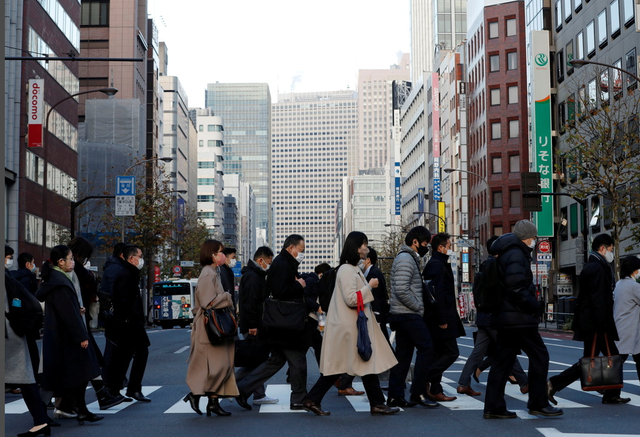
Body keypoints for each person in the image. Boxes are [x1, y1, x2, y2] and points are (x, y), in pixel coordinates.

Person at [302, 231, 400, 416]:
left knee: (360, 364)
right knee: (355, 364)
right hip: (350, 329)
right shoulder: (347, 270)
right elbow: (350, 299)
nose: (366, 248)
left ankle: (313, 399)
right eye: (364, 244)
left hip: (353, 327)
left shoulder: (352, 269)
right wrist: (369, 286)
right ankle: (376, 404)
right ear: (356, 247)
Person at [483, 220, 562, 419]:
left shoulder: (507, 251)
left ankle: (493, 407)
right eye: (534, 238)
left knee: (502, 361)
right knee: (539, 356)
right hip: (518, 317)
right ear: (527, 237)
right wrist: (534, 305)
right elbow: (516, 287)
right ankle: (538, 402)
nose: (534, 241)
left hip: (506, 316)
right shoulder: (517, 254)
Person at [548, 233, 630, 405]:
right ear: (602, 248)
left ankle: (610, 394)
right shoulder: (598, 268)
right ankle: (554, 384)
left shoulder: (592, 265)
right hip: (597, 323)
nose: (611, 252)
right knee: (610, 357)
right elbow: (598, 299)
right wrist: (603, 325)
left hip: (591, 322)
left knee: (591, 359)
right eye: (610, 249)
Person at [235, 234, 315, 411]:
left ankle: (242, 389)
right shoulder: (282, 263)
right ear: (291, 248)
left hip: (280, 324)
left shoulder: (284, 263)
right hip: (285, 324)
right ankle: (299, 398)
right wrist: (299, 284)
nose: (302, 254)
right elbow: (279, 291)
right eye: (301, 250)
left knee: (275, 362)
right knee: (298, 361)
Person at [36, 245, 103, 425]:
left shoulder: (59, 278)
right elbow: (67, 313)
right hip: (65, 337)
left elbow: (65, 308)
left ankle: (82, 409)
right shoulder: (60, 281)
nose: (73, 261)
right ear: (61, 262)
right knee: (53, 379)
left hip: (61, 336)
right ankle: (41, 416)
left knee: (79, 373)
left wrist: (77, 309)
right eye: (70, 258)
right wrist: (81, 336)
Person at [457, 237, 528, 397]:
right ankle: (524, 382)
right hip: (494, 317)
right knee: (507, 350)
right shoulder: (496, 266)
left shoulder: (483, 266)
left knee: (478, 353)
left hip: (483, 316)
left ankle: (463, 383)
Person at [68, 237, 125, 410]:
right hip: (77, 321)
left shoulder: (70, 270)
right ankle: (100, 396)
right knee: (87, 360)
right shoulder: (76, 271)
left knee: (85, 361)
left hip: (77, 320)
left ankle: (92, 400)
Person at [386, 226, 439, 409]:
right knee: (426, 348)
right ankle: (418, 392)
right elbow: (401, 289)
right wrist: (418, 306)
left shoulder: (407, 258)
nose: (425, 248)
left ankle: (395, 396)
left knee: (403, 355)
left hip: (402, 314)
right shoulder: (406, 259)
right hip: (408, 314)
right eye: (424, 244)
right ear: (414, 242)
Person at [184, 240, 238, 417]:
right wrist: (227, 297)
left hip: (213, 324)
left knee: (221, 365)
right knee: (218, 366)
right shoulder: (208, 274)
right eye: (220, 252)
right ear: (213, 254)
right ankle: (196, 394)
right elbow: (209, 302)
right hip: (209, 326)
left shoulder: (214, 271)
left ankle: (212, 403)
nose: (223, 255)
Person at [105, 244, 151, 403]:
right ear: (131, 258)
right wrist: (130, 318)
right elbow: (123, 301)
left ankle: (123, 389)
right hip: (127, 322)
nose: (141, 260)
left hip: (128, 322)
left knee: (126, 356)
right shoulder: (125, 274)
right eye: (140, 256)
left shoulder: (129, 272)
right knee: (128, 356)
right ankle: (125, 389)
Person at [423, 233, 465, 402]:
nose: (450, 249)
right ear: (440, 247)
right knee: (451, 352)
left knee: (440, 352)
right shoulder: (436, 265)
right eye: (448, 246)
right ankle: (425, 378)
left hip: (440, 316)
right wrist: (442, 319)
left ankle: (436, 388)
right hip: (439, 318)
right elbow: (438, 295)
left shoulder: (437, 264)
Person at [235, 246, 278, 405]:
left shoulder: (254, 275)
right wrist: (253, 325)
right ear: (261, 260)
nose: (270, 264)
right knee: (256, 361)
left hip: (255, 324)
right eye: (269, 261)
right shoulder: (253, 276)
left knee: (255, 361)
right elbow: (250, 303)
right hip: (254, 326)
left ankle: (258, 394)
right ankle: (230, 385)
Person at [613, 256, 640, 382]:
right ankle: (609, 389)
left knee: (617, 361)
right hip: (630, 329)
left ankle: (610, 391)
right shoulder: (634, 286)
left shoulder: (619, 284)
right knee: (620, 360)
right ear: (634, 270)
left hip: (620, 327)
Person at [363, 248, 391, 344]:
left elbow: (377, 297)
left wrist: (377, 318)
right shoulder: (374, 272)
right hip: (378, 315)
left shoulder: (373, 274)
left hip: (377, 316)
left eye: (362, 257)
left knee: (382, 345)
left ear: (368, 260)